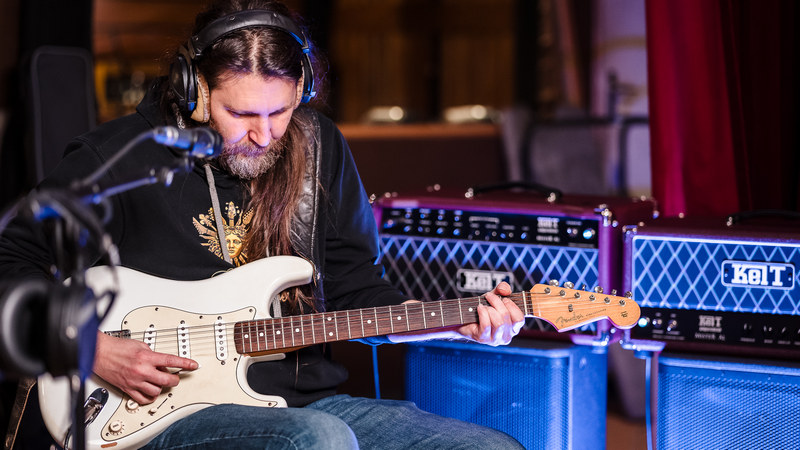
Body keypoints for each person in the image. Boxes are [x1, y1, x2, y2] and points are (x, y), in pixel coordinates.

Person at [0, 0, 525, 448]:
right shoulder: (120, 158)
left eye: (281, 111)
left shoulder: (319, 148)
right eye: (243, 115)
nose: (266, 135)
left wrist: (447, 319)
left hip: (307, 401)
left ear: (301, 90)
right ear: (197, 91)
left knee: (491, 445)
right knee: (318, 440)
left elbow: (353, 284)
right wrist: (91, 348)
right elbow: (10, 264)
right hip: (164, 412)